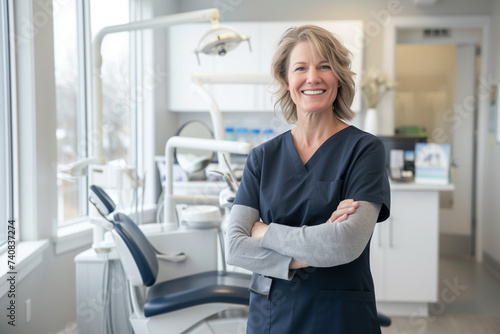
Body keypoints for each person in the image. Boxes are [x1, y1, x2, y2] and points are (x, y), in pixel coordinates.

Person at [225, 25, 390, 334]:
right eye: (301, 68)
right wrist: (313, 247)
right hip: (271, 317)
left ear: (338, 77)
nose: (313, 77)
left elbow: (345, 243)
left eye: (324, 66)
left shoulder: (365, 150)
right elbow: (234, 246)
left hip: (339, 318)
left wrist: (264, 231)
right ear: (287, 81)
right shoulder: (262, 157)